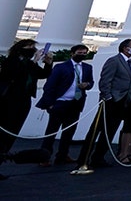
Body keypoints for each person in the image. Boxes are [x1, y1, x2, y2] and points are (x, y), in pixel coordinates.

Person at [79, 38, 131, 170]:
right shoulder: (114, 61)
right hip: (111, 101)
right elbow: (105, 80)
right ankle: (83, 158)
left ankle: (98, 157)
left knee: (110, 131)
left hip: (123, 102)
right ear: (124, 48)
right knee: (96, 130)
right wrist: (108, 97)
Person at [0, 39, 53, 180]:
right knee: (3, 132)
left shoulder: (29, 64)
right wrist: (34, 61)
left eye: (33, 47)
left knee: (12, 133)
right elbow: (14, 74)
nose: (32, 49)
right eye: (29, 46)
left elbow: (42, 74)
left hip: (24, 100)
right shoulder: (11, 61)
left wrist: (48, 64)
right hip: (8, 100)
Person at [37, 44, 93, 166]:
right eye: (80, 52)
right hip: (60, 103)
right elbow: (50, 85)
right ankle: (44, 157)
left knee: (69, 132)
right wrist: (50, 104)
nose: (82, 55)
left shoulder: (88, 67)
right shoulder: (61, 67)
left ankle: (62, 155)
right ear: (72, 53)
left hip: (76, 103)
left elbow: (91, 82)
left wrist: (87, 85)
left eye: (84, 53)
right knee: (51, 132)